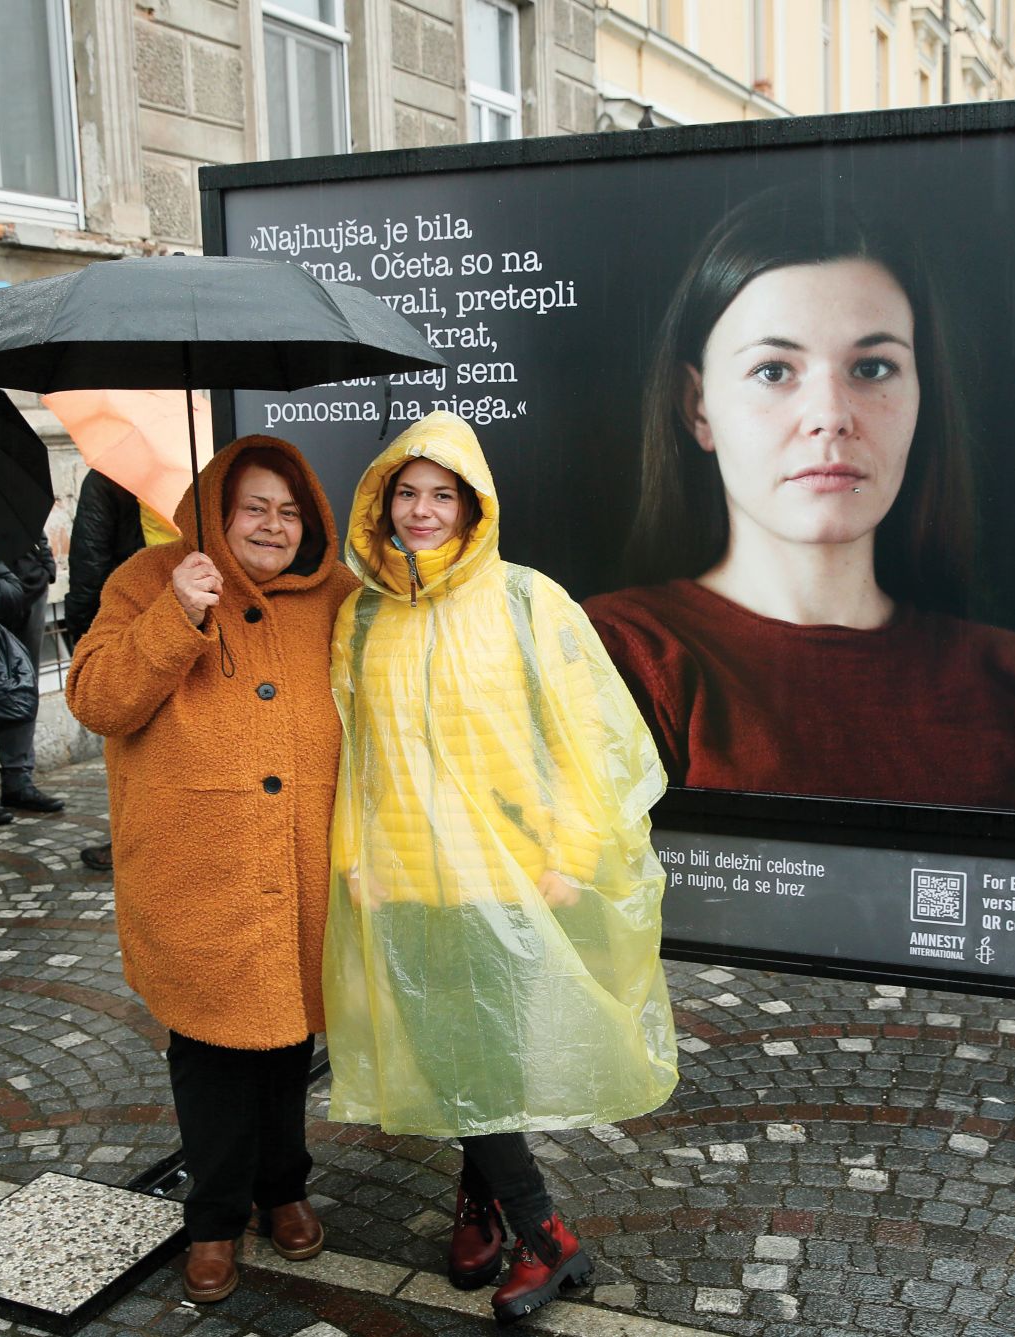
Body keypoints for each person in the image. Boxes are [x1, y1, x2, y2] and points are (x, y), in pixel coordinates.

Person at [585, 190, 1015, 816]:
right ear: (697, 406)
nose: (830, 418)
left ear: (922, 395)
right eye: (774, 370)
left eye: (874, 368)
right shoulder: (612, 657)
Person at [324, 411, 677, 1326]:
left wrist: (569, 855)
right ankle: (479, 1204)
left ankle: (549, 1237)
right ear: (382, 502)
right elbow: (353, 751)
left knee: (487, 1061)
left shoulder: (527, 599)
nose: (424, 509)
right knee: (453, 1062)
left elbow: (583, 734)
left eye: (443, 493)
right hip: (404, 879)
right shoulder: (362, 615)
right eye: (408, 491)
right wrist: (354, 858)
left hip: (509, 876)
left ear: (474, 505)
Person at [66, 436, 357, 1304]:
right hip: (200, 875)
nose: (272, 525)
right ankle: (215, 1219)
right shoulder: (151, 580)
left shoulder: (338, 596)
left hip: (301, 865)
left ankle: (285, 1189)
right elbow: (94, 697)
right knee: (210, 1054)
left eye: (289, 509)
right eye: (253, 507)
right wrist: (177, 617)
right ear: (217, 515)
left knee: (287, 1044)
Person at [65, 469, 177, 870]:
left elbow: (88, 562)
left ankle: (135, 843)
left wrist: (82, 633)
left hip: (134, 631)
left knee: (135, 754)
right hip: (189, 623)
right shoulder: (194, 464)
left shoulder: (110, 477)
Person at [0, 532, 63, 821]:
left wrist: (44, 563)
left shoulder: (7, 491)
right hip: (0, 587)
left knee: (22, 687)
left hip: (26, 586)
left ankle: (18, 781)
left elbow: (30, 522)